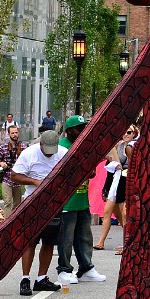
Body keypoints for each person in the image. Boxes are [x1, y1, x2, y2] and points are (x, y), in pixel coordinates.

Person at [10, 130, 65, 295]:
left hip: (54, 203)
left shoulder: (63, 153)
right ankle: (25, 278)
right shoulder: (29, 154)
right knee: (30, 241)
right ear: (40, 144)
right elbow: (14, 176)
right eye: (46, 150)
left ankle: (41, 278)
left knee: (49, 241)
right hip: (32, 202)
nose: (49, 154)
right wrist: (34, 181)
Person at [56, 115, 106, 287]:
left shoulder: (84, 146)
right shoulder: (61, 147)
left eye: (84, 127)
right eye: (79, 128)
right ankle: (64, 269)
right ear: (69, 131)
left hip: (81, 197)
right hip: (67, 201)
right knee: (66, 238)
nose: (83, 131)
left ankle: (86, 268)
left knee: (84, 236)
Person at [94, 124, 138, 252]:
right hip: (115, 183)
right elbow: (112, 165)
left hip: (127, 183)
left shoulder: (133, 147)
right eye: (124, 132)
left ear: (134, 134)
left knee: (124, 215)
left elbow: (124, 165)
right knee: (109, 212)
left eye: (129, 132)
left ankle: (127, 244)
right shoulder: (119, 146)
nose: (126, 134)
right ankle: (101, 242)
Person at [0, 123, 25, 218]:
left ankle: (15, 222)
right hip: (7, 179)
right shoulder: (3, 147)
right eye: (12, 133)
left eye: (16, 132)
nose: (15, 135)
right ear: (9, 134)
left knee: (17, 204)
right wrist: (1, 163)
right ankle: (7, 223)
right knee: (8, 202)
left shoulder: (24, 147)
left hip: (18, 179)